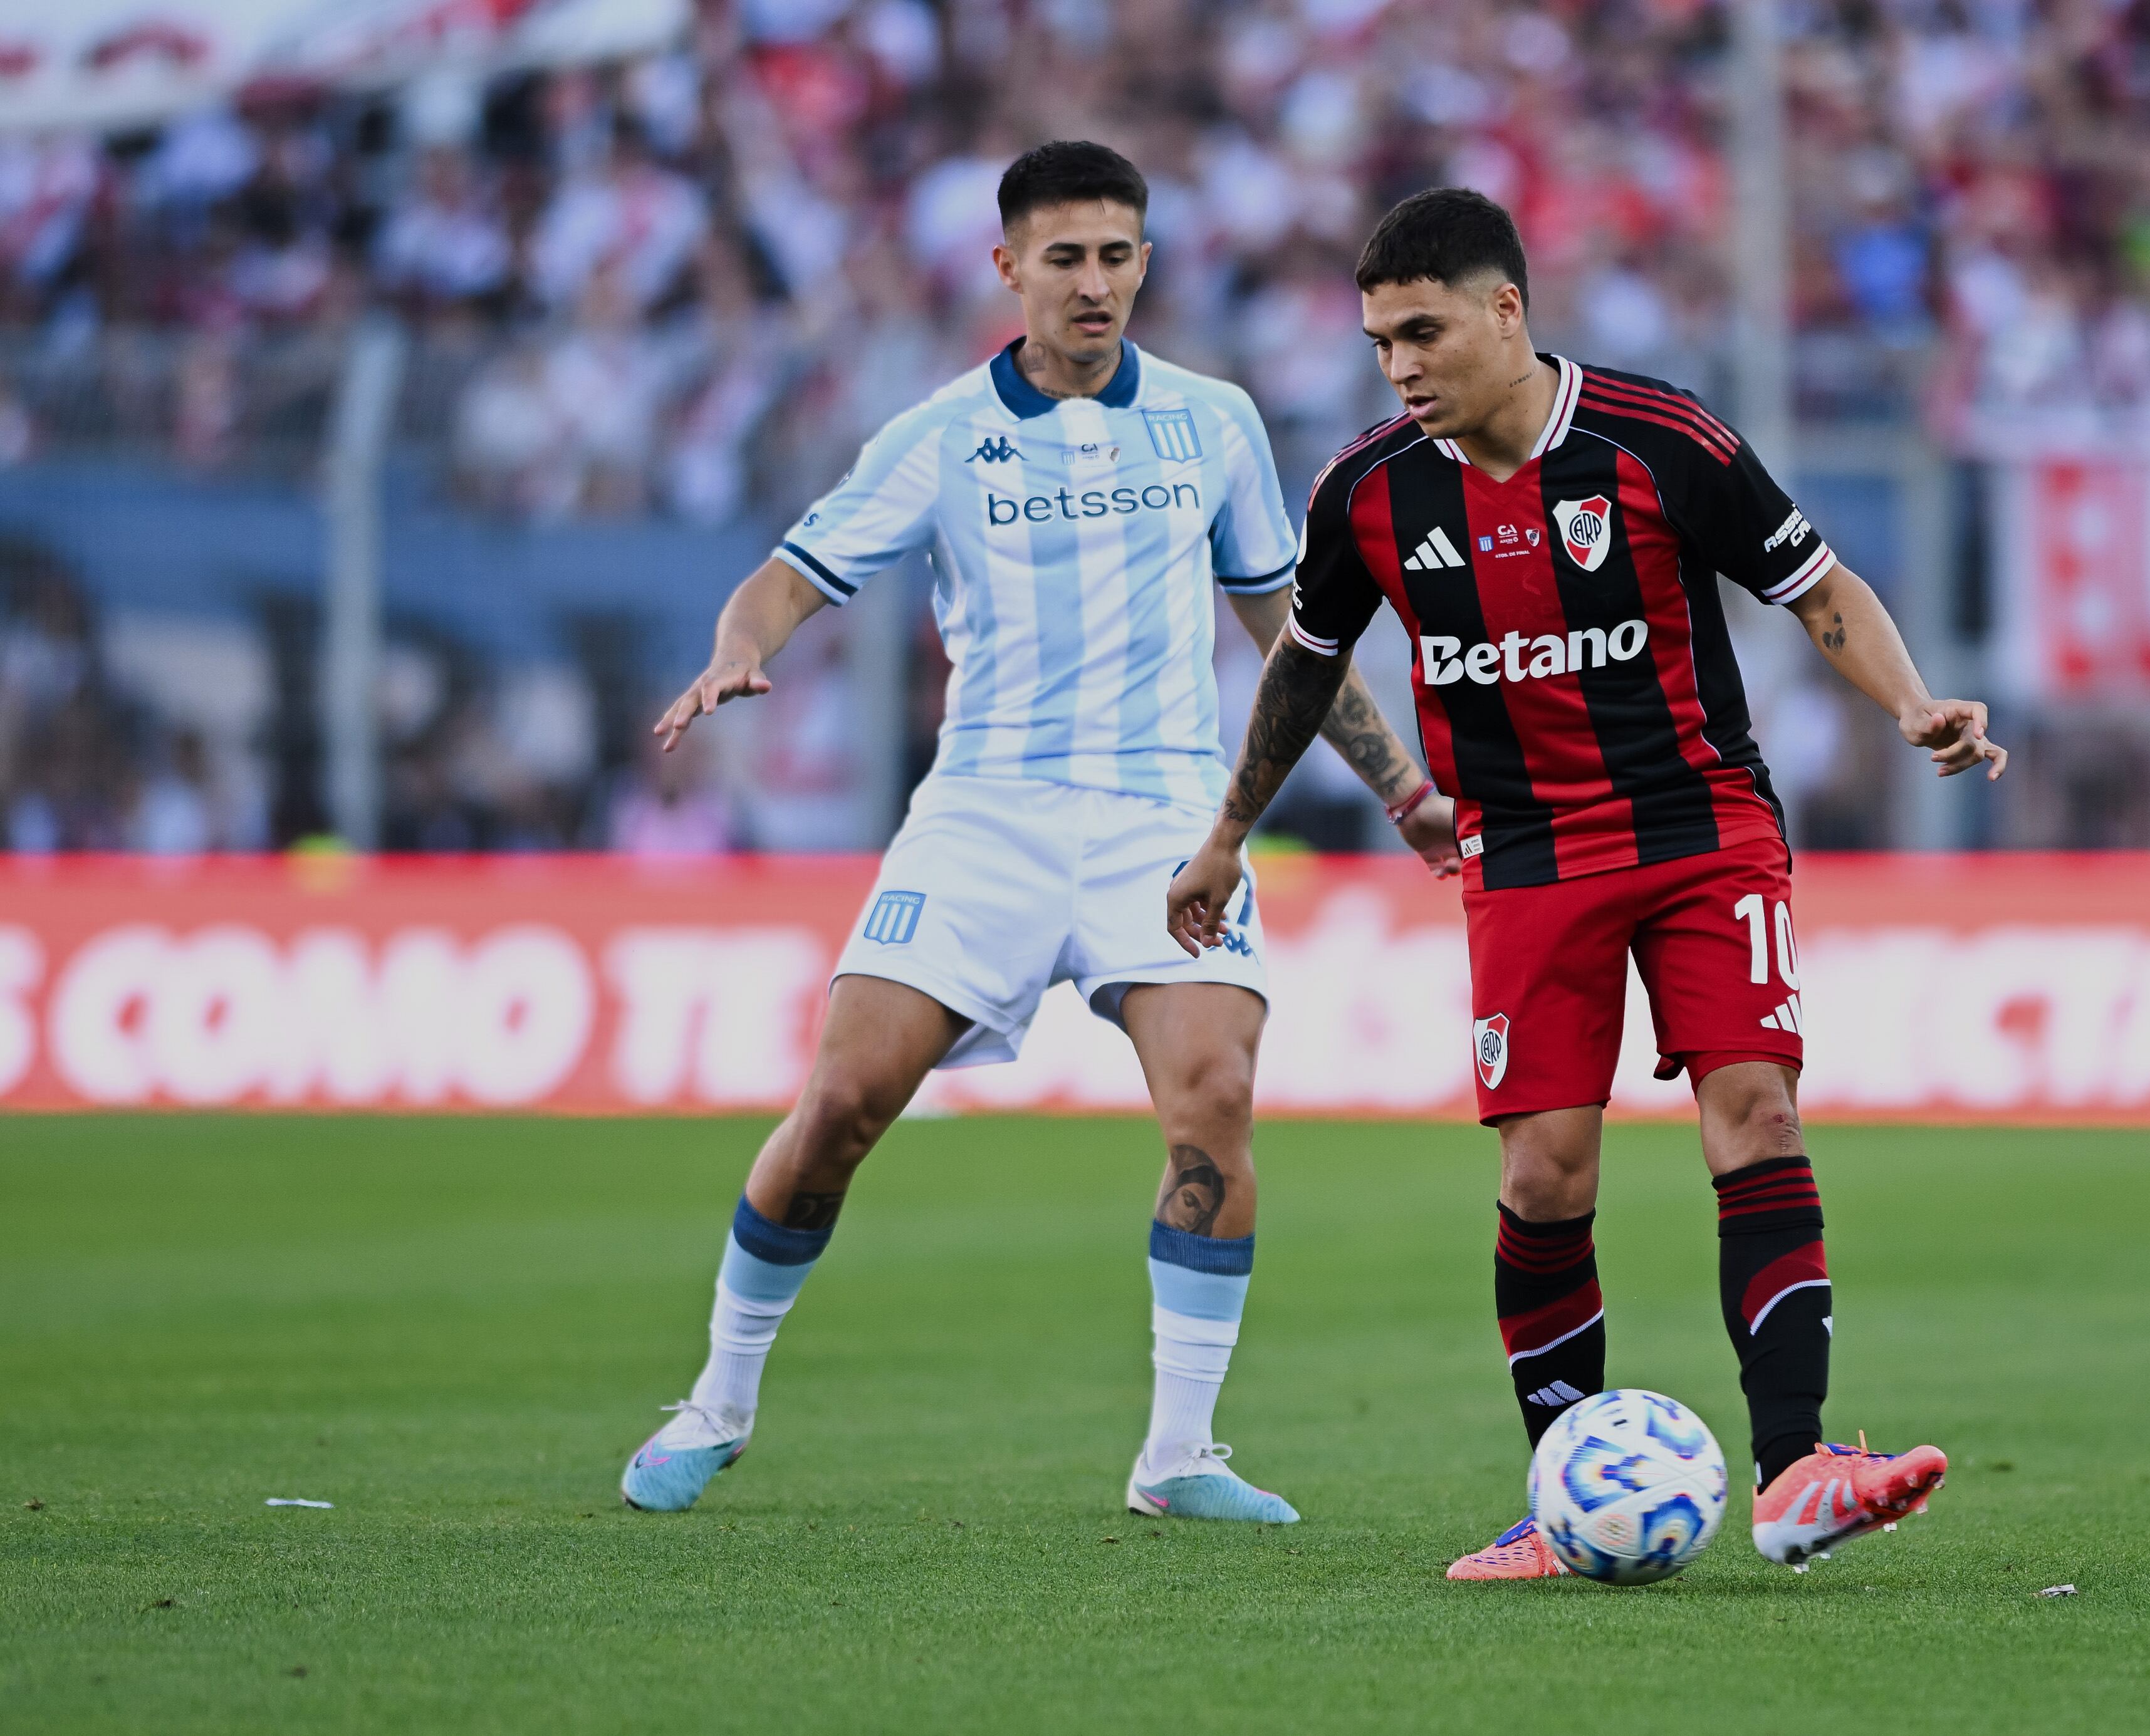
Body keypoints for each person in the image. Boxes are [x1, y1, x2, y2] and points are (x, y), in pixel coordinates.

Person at [1166, 189, 2006, 1577]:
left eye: (1422, 331)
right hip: (1526, 858)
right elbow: (1303, 663)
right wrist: (1225, 835)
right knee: (1545, 1175)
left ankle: (1796, 1467)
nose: (1401, 366)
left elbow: (1813, 584)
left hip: (1699, 827)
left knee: (1756, 1109)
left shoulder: (1659, 438)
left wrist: (1909, 703)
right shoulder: (1370, 491)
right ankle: (1560, 1508)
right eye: (1380, 343)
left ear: (1507, 310)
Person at [624, 142, 1456, 1522]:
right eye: (1062, 257)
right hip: (986, 815)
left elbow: (1285, 629)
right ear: (1006, 266)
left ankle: (1178, 1456)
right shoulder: (941, 432)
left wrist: (1403, 788)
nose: (1092, 283)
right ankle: (716, 1401)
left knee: (1217, 1103)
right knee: (839, 1107)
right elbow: (789, 575)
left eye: (1115, 254)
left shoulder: (1213, 422)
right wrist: (735, 650)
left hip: (1162, 818)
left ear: (1146, 262)